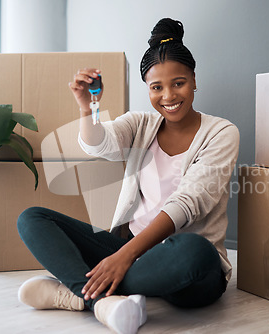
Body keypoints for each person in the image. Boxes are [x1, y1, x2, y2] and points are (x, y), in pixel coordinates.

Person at [16, 18, 240, 334]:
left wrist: (123, 258)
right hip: (130, 251)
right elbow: (99, 145)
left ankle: (77, 289)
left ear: (193, 80)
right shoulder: (141, 124)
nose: (168, 96)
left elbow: (189, 203)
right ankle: (98, 301)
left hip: (184, 265)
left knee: (195, 251)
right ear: (147, 89)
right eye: (156, 87)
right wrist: (89, 107)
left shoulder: (221, 133)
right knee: (32, 218)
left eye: (179, 83)